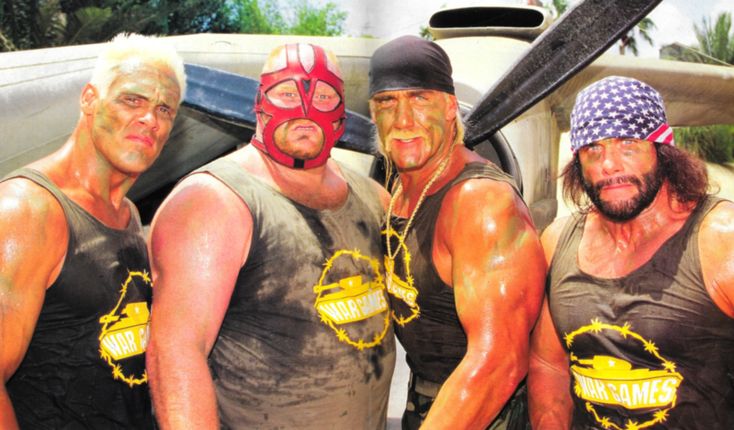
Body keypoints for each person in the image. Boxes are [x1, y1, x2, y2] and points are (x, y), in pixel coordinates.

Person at [146, 43, 395, 429]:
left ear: (342, 115)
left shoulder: (374, 198)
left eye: (324, 95)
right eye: (288, 93)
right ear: (258, 104)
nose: (306, 108)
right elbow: (175, 353)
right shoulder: (213, 201)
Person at [0, 33, 185, 429]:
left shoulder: (129, 215)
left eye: (165, 109)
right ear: (88, 99)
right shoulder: (28, 209)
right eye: (131, 100)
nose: (150, 119)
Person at [528, 76, 734, 429]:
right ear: (578, 163)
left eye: (627, 144)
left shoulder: (719, 238)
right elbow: (549, 365)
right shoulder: (558, 241)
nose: (609, 165)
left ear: (662, 150)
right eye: (594, 149)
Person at [368, 35, 546, 429]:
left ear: (450, 107)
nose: (402, 120)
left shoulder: (482, 204)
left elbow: (498, 362)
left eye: (419, 99)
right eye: (387, 102)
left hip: (486, 414)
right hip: (428, 401)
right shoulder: (401, 189)